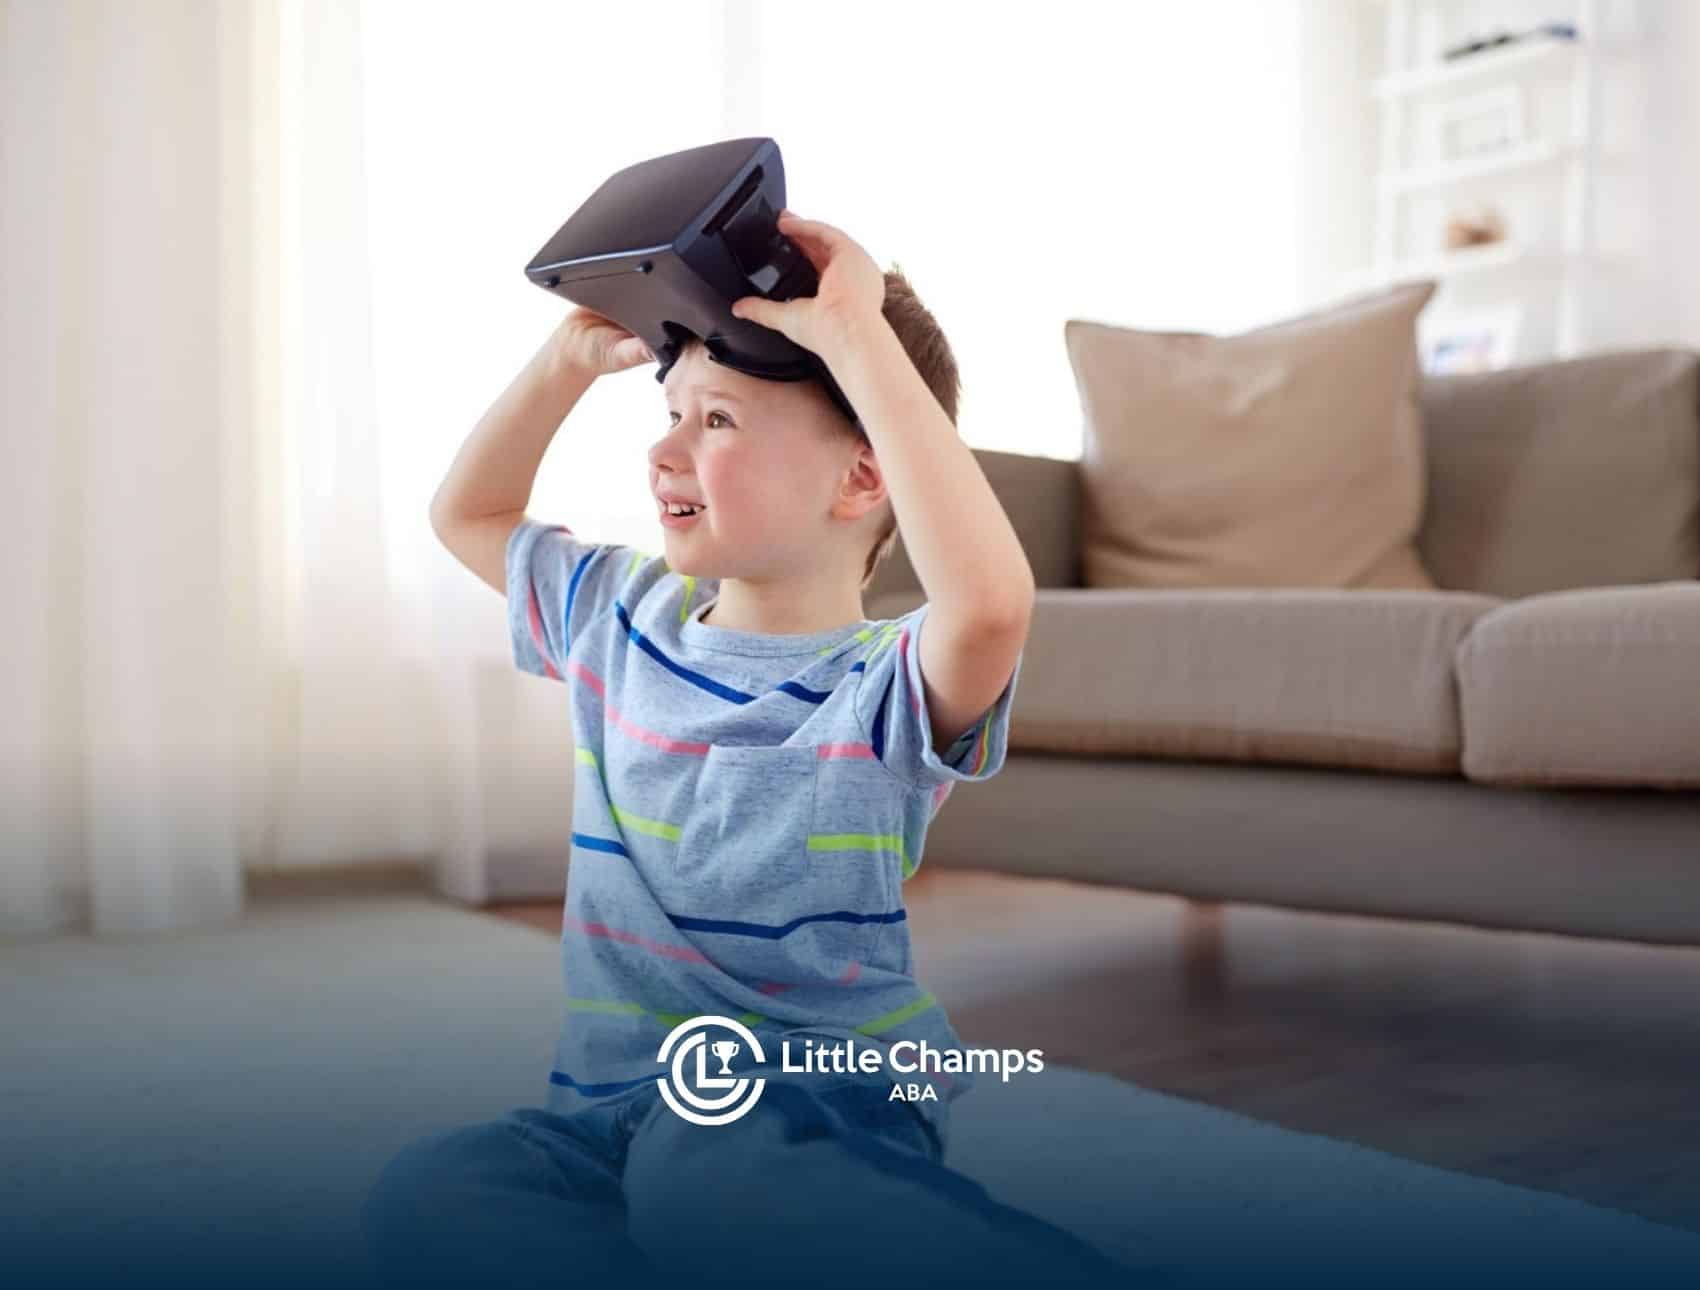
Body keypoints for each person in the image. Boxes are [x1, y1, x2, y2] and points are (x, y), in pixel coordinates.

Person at [366, 209, 1161, 1290]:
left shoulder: (878, 686)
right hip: (608, 1113)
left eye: (720, 422)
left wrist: (859, 341)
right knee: (434, 1196)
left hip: (815, 1100)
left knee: (716, 1179)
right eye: (672, 412)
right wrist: (560, 364)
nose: (664, 448)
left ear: (861, 482)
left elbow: (988, 604)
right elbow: (467, 513)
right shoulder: (615, 615)